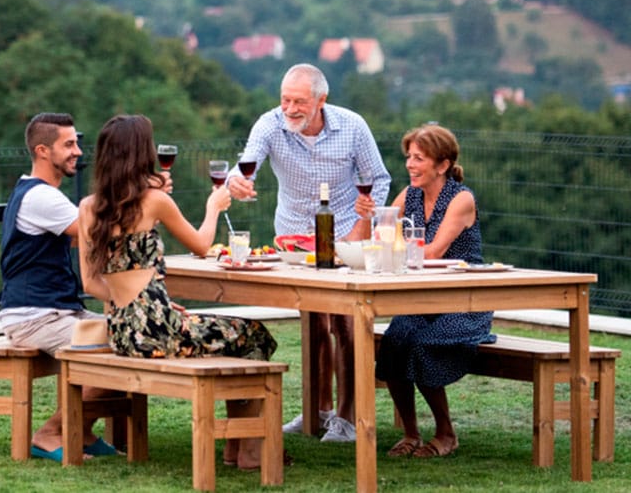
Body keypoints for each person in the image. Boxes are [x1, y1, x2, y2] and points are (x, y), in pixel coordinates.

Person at [78, 114, 279, 470]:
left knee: (230, 332)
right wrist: (213, 206)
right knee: (253, 333)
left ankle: (237, 447)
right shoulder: (154, 200)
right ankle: (246, 448)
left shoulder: (88, 207)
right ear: (141, 153)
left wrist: (144, 306)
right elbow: (203, 244)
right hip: (159, 332)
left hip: (125, 332)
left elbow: (91, 284)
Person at [227, 63, 391, 443]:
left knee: (346, 323)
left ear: (321, 100)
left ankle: (348, 418)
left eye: (299, 101)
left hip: (346, 231)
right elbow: (245, 167)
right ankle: (317, 411)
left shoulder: (352, 126)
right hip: (295, 236)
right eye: (285, 99)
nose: (290, 108)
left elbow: (378, 179)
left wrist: (359, 229)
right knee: (314, 324)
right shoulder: (270, 124)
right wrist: (237, 183)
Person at [358, 123, 493, 459]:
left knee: (421, 345)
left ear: (442, 165)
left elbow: (431, 252)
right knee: (393, 343)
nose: (410, 165)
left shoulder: (460, 198)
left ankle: (446, 433)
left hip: (466, 303)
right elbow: (381, 236)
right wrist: (371, 218)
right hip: (424, 299)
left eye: (419, 158)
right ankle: (411, 433)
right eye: (409, 157)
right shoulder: (410, 194)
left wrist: (389, 238)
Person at [0, 112, 117, 462]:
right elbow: (97, 232)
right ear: (43, 150)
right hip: (33, 316)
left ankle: (82, 429)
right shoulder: (41, 198)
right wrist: (143, 198)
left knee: (131, 334)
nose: (77, 150)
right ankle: (51, 432)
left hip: (55, 310)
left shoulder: (39, 194)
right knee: (127, 343)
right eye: (69, 144)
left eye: (76, 142)